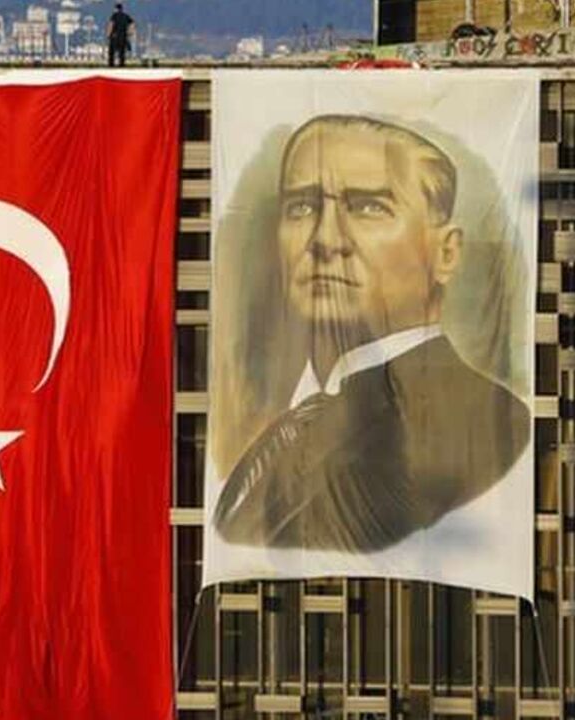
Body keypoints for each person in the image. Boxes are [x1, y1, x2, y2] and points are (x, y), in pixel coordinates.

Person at [212, 115, 531, 554]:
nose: (324, 240)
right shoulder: (290, 412)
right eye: (302, 207)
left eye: (368, 208)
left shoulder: (487, 421)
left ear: (446, 253)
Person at [107, 3, 135, 67]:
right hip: (123, 36)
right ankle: (121, 65)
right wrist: (130, 32)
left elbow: (111, 25)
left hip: (115, 36)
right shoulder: (126, 16)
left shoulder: (114, 16)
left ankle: (111, 65)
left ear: (116, 9)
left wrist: (108, 34)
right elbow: (132, 23)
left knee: (111, 52)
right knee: (122, 53)